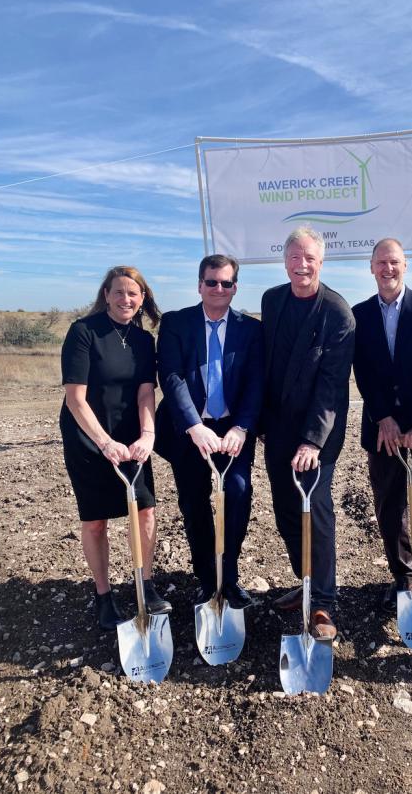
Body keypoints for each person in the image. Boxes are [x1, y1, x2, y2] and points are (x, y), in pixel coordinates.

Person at [60, 265, 171, 630]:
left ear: (143, 300)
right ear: (106, 294)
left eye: (133, 294)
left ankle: (145, 583)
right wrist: (104, 443)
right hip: (89, 436)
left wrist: (148, 435)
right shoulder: (83, 332)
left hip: (130, 436)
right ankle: (104, 595)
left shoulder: (143, 341)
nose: (126, 299)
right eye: (119, 292)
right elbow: (76, 398)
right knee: (95, 522)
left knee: (145, 512)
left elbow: (144, 392)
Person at [261, 227, 355, 640]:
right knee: (285, 510)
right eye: (295, 258)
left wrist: (313, 441)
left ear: (322, 262)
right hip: (277, 430)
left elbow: (332, 386)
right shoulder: (271, 300)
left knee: (315, 512)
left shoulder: (337, 312)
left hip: (317, 437)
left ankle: (323, 603)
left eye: (310, 258)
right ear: (285, 262)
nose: (302, 265)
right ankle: (305, 581)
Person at [155, 254, 263, 608]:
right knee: (194, 502)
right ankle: (206, 579)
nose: (219, 289)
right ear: (199, 285)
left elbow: (255, 384)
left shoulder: (251, 329)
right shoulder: (175, 323)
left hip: (233, 430)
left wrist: (243, 427)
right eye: (212, 282)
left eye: (226, 283)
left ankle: (228, 577)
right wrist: (193, 425)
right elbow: (171, 377)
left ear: (235, 287)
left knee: (237, 494)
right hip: (190, 431)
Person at [353, 238, 412, 612]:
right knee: (389, 500)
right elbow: (362, 371)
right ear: (372, 267)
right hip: (382, 428)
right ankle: (403, 573)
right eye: (381, 263)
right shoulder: (359, 315)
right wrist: (383, 417)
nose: (387, 269)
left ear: (405, 266)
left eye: (394, 262)